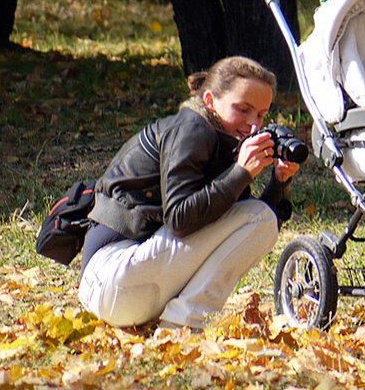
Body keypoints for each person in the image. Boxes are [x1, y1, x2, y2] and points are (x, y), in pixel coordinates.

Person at [78, 56, 299, 333]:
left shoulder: (224, 140)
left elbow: (247, 226)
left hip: (127, 288)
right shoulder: (191, 129)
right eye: (243, 109)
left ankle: (179, 325)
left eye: (261, 114)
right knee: (260, 218)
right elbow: (180, 219)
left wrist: (280, 180)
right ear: (209, 100)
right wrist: (241, 172)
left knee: (261, 219)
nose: (254, 125)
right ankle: (183, 327)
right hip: (111, 279)